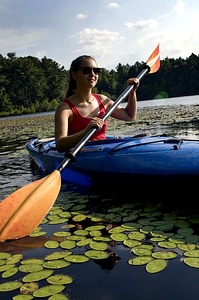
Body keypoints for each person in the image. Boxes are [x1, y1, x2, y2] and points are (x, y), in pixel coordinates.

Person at [55, 55, 140, 152]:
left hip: (103, 153)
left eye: (96, 71)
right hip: (79, 155)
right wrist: (85, 132)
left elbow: (130, 116)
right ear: (74, 75)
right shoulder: (64, 108)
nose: (92, 74)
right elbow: (60, 145)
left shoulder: (103, 100)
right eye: (86, 70)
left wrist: (132, 92)